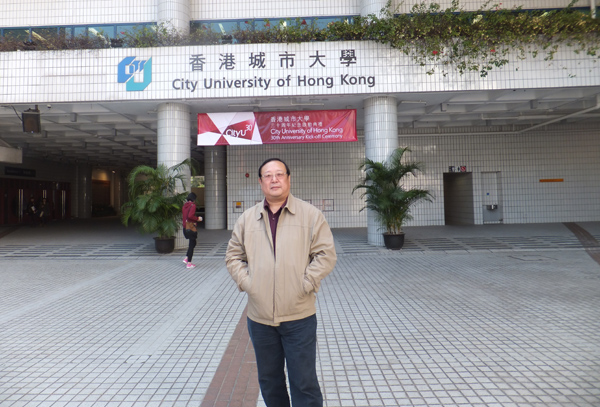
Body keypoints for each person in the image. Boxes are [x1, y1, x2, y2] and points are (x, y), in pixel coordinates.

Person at [225, 158, 337, 407]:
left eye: (279, 174)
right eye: (268, 175)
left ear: (288, 178)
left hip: (299, 317)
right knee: (269, 381)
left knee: (304, 382)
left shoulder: (310, 215)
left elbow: (326, 255)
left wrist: (305, 284)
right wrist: (249, 284)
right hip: (260, 319)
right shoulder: (247, 218)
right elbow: (233, 256)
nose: (274, 179)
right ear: (260, 182)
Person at [182, 192, 202, 269]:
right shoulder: (192, 205)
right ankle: (189, 263)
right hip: (190, 227)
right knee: (192, 244)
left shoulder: (184, 206)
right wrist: (197, 219)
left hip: (185, 227)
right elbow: (190, 216)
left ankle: (187, 258)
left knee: (193, 243)